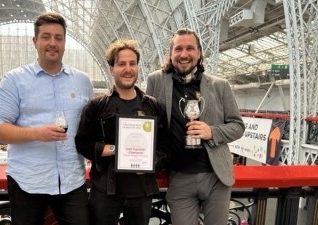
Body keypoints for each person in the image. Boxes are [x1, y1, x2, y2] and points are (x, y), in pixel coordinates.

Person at [0, 12, 93, 225]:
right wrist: (36, 133)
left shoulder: (82, 81)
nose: (52, 43)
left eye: (58, 37)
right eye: (46, 36)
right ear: (34, 41)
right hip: (27, 182)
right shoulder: (14, 80)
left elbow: (90, 126)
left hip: (71, 181)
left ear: (64, 43)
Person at [146, 28, 245, 225]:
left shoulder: (220, 85)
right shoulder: (155, 81)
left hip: (216, 177)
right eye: (178, 49)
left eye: (190, 48)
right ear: (171, 53)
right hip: (180, 177)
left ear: (199, 53)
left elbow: (238, 126)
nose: (184, 54)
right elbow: (148, 123)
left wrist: (212, 132)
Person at [75, 39, 169, 225]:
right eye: (121, 64)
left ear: (137, 67)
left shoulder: (153, 106)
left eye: (132, 63)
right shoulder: (97, 106)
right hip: (105, 191)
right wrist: (116, 150)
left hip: (141, 192)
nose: (128, 69)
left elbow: (165, 147)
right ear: (112, 69)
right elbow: (82, 143)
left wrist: (151, 163)